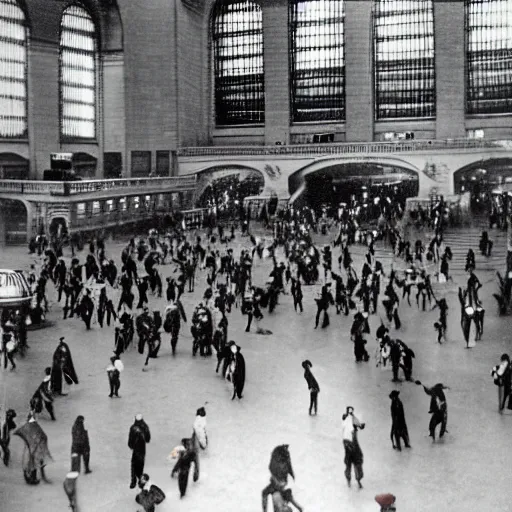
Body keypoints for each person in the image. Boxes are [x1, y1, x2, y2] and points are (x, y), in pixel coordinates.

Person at [342, 406, 365, 489]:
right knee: (357, 461)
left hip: (347, 443)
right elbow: (360, 426)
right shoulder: (351, 419)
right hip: (353, 444)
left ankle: (349, 480)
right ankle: (358, 480)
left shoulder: (347, 418)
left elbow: (359, 425)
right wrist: (361, 425)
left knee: (349, 462)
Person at [128, 414, 151, 488]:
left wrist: (131, 445)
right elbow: (148, 439)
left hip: (136, 449)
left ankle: (133, 481)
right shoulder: (145, 427)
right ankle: (141, 481)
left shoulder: (133, 428)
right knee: (141, 465)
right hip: (142, 449)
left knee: (134, 465)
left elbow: (130, 439)